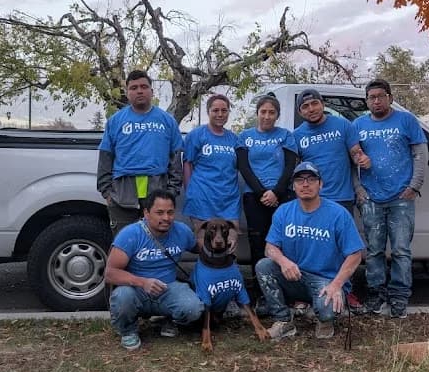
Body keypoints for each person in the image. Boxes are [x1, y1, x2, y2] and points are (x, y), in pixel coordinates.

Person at [255, 161, 365, 340]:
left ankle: (325, 320)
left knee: (327, 311)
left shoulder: (338, 214)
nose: (305, 184)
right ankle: (284, 321)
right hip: (296, 276)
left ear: (320, 184)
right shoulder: (284, 212)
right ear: (293, 186)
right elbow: (270, 247)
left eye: (311, 179)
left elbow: (355, 254)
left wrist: (337, 284)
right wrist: (284, 262)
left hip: (326, 280)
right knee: (264, 266)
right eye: (300, 180)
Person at [352, 78, 428, 319]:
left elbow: (419, 155)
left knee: (401, 251)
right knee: (373, 251)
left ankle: (399, 297)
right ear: (367, 102)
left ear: (390, 98)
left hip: (401, 198)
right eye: (372, 97)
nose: (376, 101)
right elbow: (352, 159)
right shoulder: (358, 125)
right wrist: (358, 190)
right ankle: (376, 295)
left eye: (380, 96)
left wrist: (414, 186)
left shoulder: (406, 120)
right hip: (371, 198)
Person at [105, 189, 204, 351]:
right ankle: (128, 330)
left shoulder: (182, 231)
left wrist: (220, 241)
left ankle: (170, 320)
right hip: (136, 289)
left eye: (170, 212)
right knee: (122, 297)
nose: (166, 218)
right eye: (159, 212)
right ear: (146, 213)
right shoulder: (130, 234)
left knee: (193, 307)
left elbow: (200, 249)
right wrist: (142, 282)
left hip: (168, 288)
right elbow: (110, 273)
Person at [97, 70, 183, 237]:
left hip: (158, 194)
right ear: (127, 93)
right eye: (134, 87)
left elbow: (175, 159)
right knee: (126, 246)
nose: (139, 91)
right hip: (122, 197)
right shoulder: (116, 121)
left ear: (152, 91)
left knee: (156, 247)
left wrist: (171, 192)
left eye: (144, 86)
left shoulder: (167, 121)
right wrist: (107, 193)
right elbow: (105, 157)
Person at [237, 95, 298, 266]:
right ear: (257, 113)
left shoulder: (286, 136)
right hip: (254, 197)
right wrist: (262, 193)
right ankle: (259, 286)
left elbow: (290, 166)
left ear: (277, 115)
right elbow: (244, 168)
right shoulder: (245, 137)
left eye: (272, 112)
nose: (267, 116)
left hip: (282, 196)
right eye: (263, 112)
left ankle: (284, 281)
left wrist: (276, 192)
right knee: (258, 241)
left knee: (284, 241)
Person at [293, 88, 362, 213]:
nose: (311, 109)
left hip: (342, 198)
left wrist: (361, 158)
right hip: (312, 199)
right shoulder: (296, 136)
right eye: (305, 106)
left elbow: (356, 153)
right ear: (300, 112)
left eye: (315, 103)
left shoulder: (343, 125)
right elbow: (295, 170)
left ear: (322, 104)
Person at [182, 94, 241, 232]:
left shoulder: (234, 139)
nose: (220, 114)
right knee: (204, 244)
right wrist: (190, 193)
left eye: (224, 110)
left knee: (230, 242)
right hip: (202, 199)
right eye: (215, 110)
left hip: (229, 201)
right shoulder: (195, 135)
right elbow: (187, 164)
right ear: (208, 112)